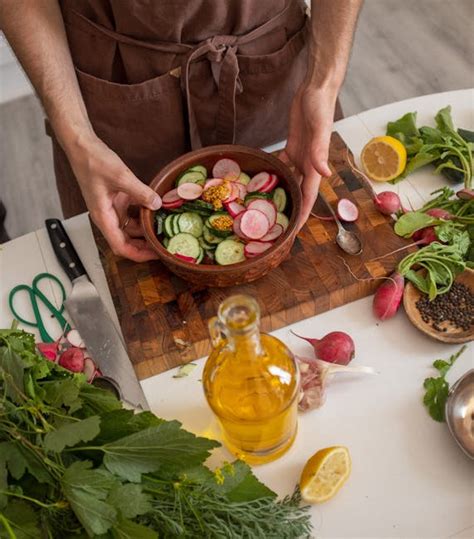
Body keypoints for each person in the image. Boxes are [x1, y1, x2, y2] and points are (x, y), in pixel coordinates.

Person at [1, 0, 363, 262]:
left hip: (276, 74)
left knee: (321, 256)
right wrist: (77, 136)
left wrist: (323, 82)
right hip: (116, 89)